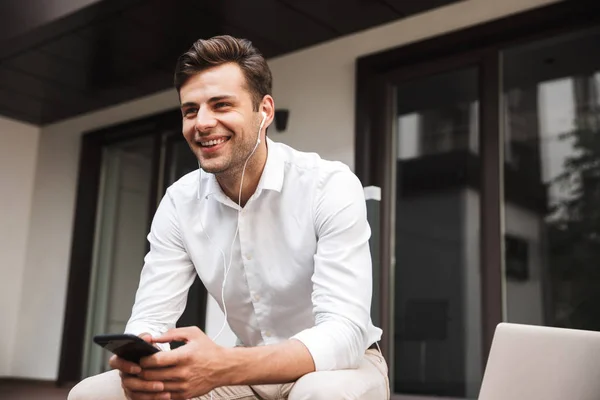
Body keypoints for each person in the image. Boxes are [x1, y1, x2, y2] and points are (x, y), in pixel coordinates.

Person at [68, 35, 389, 400]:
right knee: (93, 394)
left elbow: (344, 335)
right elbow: (150, 320)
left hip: (340, 366)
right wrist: (145, 361)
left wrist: (221, 366)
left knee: (321, 394)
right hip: (244, 369)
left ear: (264, 111)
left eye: (221, 105)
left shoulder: (329, 184)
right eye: (191, 110)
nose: (202, 123)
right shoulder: (178, 203)